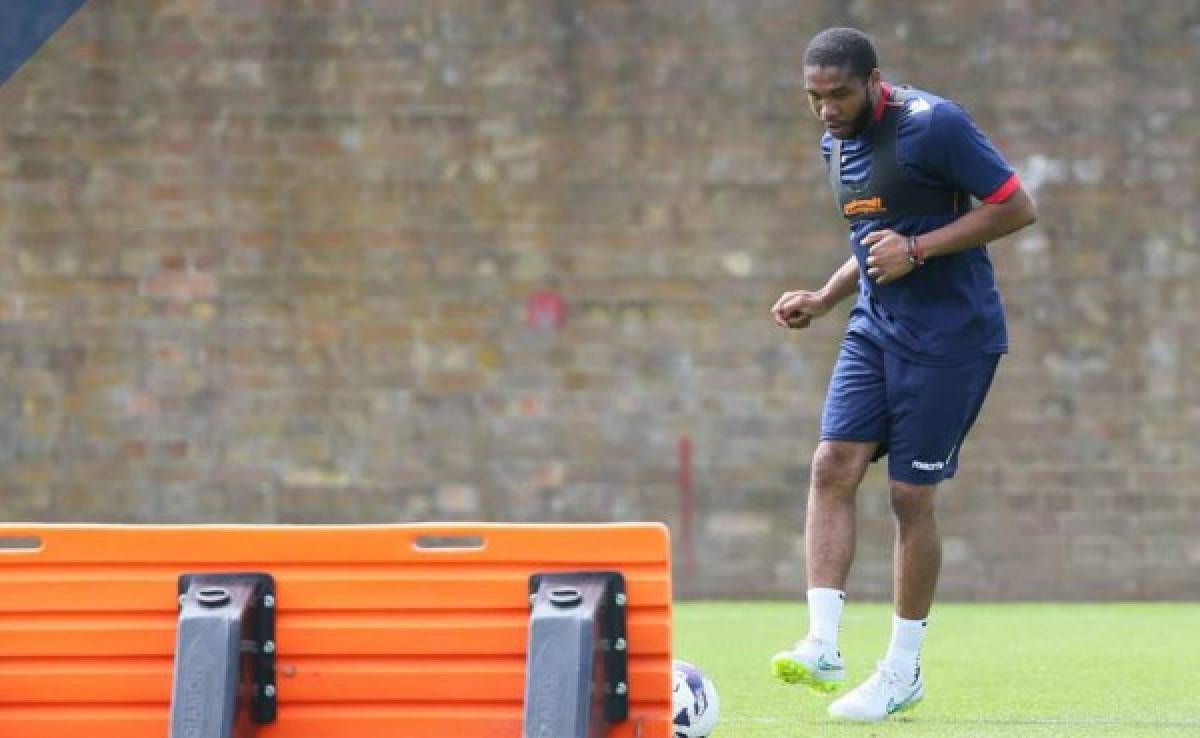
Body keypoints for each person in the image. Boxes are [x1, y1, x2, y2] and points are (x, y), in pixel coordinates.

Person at [768, 27, 1038, 722]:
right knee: (831, 464)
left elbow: (1016, 205)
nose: (826, 109)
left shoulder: (934, 125)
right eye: (813, 97)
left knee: (910, 500)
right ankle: (824, 643)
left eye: (839, 94)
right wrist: (826, 297)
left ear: (873, 82)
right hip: (875, 326)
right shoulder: (835, 142)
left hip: (952, 338)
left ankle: (901, 669)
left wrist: (918, 250)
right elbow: (872, 241)